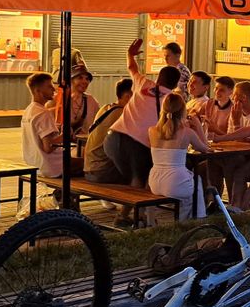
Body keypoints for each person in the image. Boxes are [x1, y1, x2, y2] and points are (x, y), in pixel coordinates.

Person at [106, 40, 177, 188]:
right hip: (137, 144)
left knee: (130, 179)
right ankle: (140, 211)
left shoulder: (143, 83)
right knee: (141, 179)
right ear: (175, 85)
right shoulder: (172, 100)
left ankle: (125, 210)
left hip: (112, 138)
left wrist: (130, 54)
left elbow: (131, 67)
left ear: (157, 78)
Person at [148, 93, 209, 222]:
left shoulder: (152, 131)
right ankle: (196, 219)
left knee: (190, 182)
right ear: (183, 111)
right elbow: (205, 148)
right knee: (196, 180)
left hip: (155, 181)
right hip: (175, 181)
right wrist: (198, 126)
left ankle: (158, 221)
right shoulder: (186, 132)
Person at [23, 72, 83, 181]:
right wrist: (64, 136)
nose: (54, 90)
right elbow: (48, 147)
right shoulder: (42, 113)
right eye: (49, 87)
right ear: (38, 91)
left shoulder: (29, 111)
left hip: (35, 164)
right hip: (53, 166)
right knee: (91, 164)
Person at [84, 79, 133, 185]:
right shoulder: (122, 114)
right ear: (128, 96)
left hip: (90, 169)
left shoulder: (105, 108)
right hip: (103, 172)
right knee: (141, 171)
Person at [52, 64, 100, 137]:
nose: (85, 82)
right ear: (70, 80)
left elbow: (99, 123)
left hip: (83, 145)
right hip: (62, 144)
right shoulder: (58, 100)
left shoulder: (91, 101)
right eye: (80, 78)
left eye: (87, 79)